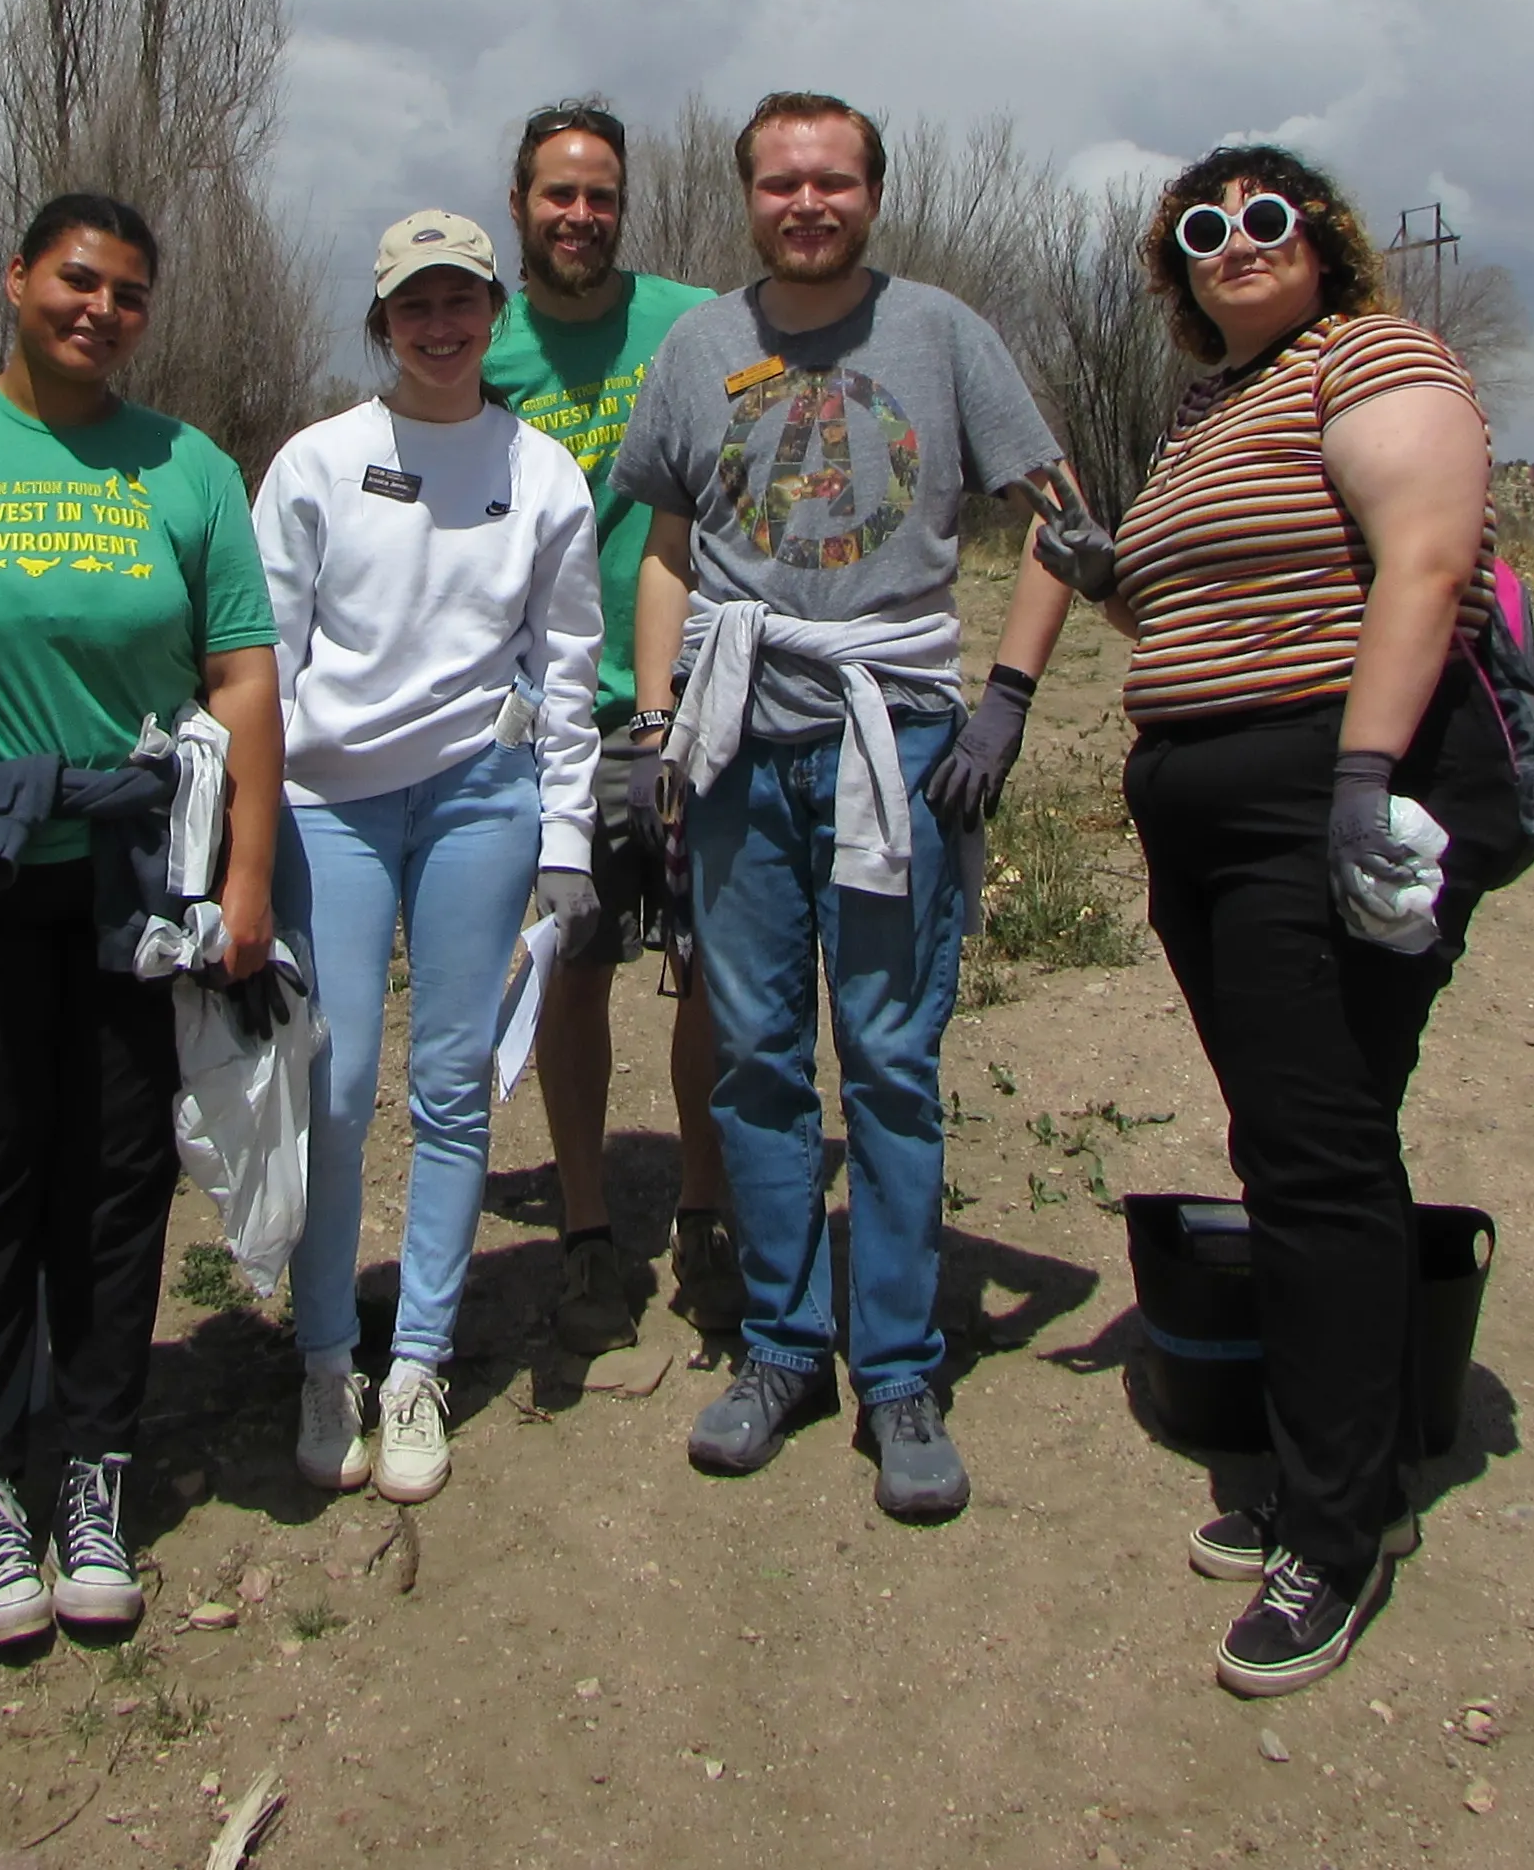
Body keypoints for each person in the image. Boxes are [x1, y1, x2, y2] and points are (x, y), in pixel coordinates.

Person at [1076, 144, 1515, 1698]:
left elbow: (1426, 560)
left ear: (1322, 241)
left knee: (1319, 1154)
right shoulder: (1207, 412)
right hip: (1199, 810)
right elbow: (1204, 606)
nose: (1234, 244)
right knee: (1290, 1138)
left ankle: (1341, 1525)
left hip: (1312, 805)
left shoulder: (1374, 357)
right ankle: (1340, 1449)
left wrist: (1364, 780)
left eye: (1267, 219)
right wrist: (1107, 581)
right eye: (1203, 230)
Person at [612, 92, 1083, 1522]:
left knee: (886, 1055)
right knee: (755, 1054)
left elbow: (1065, 518)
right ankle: (778, 1344)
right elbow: (667, 554)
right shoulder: (700, 348)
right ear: (746, 194)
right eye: (779, 182)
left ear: (873, 192)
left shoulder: (944, 336)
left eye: (832, 180)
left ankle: (896, 1367)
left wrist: (1006, 697)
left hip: (904, 737)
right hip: (744, 740)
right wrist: (652, 734)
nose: (805, 202)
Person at [0, 194, 283, 1651]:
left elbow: (240, 682)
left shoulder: (188, 471)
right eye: (75, 281)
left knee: (114, 1177)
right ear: (15, 279)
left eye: (127, 294)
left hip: (132, 878)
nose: (98, 310)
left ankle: (94, 1470)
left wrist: (246, 880)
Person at [254, 209, 602, 1501]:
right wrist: (250, 829)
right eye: (417, 307)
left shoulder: (544, 472)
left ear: (494, 314)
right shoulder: (319, 462)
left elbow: (567, 668)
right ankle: (325, 1356)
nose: (441, 328)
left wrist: (565, 835)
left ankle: (418, 1363)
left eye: (463, 304)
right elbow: (267, 659)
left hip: (479, 802)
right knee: (334, 1090)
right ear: (383, 321)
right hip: (329, 806)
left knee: (454, 1086)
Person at [476, 103, 734, 1352]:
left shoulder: (694, 322)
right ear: (518, 203)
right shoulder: (483, 344)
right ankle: (584, 1229)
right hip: (548, 721)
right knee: (575, 961)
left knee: (711, 971)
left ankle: (704, 1209)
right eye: (557, 194)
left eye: (600, 195)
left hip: (684, 706)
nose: (580, 214)